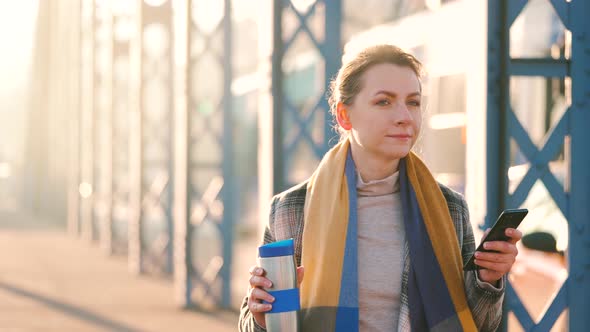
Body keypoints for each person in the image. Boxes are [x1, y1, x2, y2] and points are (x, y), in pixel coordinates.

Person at [239, 44, 522, 332]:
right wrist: (261, 316)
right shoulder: (292, 209)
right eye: (384, 102)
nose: (405, 117)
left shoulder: (449, 206)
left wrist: (487, 279)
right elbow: (256, 322)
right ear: (344, 116)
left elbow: (479, 325)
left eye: (413, 102)